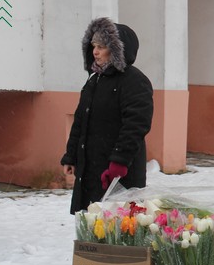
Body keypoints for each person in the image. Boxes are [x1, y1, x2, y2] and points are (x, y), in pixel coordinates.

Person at [61, 18, 154, 214]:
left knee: (118, 227)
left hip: (119, 171)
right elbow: (80, 121)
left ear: (117, 49)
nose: (95, 51)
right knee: (92, 222)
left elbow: (136, 125)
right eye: (94, 46)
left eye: (102, 46)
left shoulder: (134, 81)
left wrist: (119, 161)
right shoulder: (94, 81)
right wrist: (71, 156)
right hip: (90, 168)